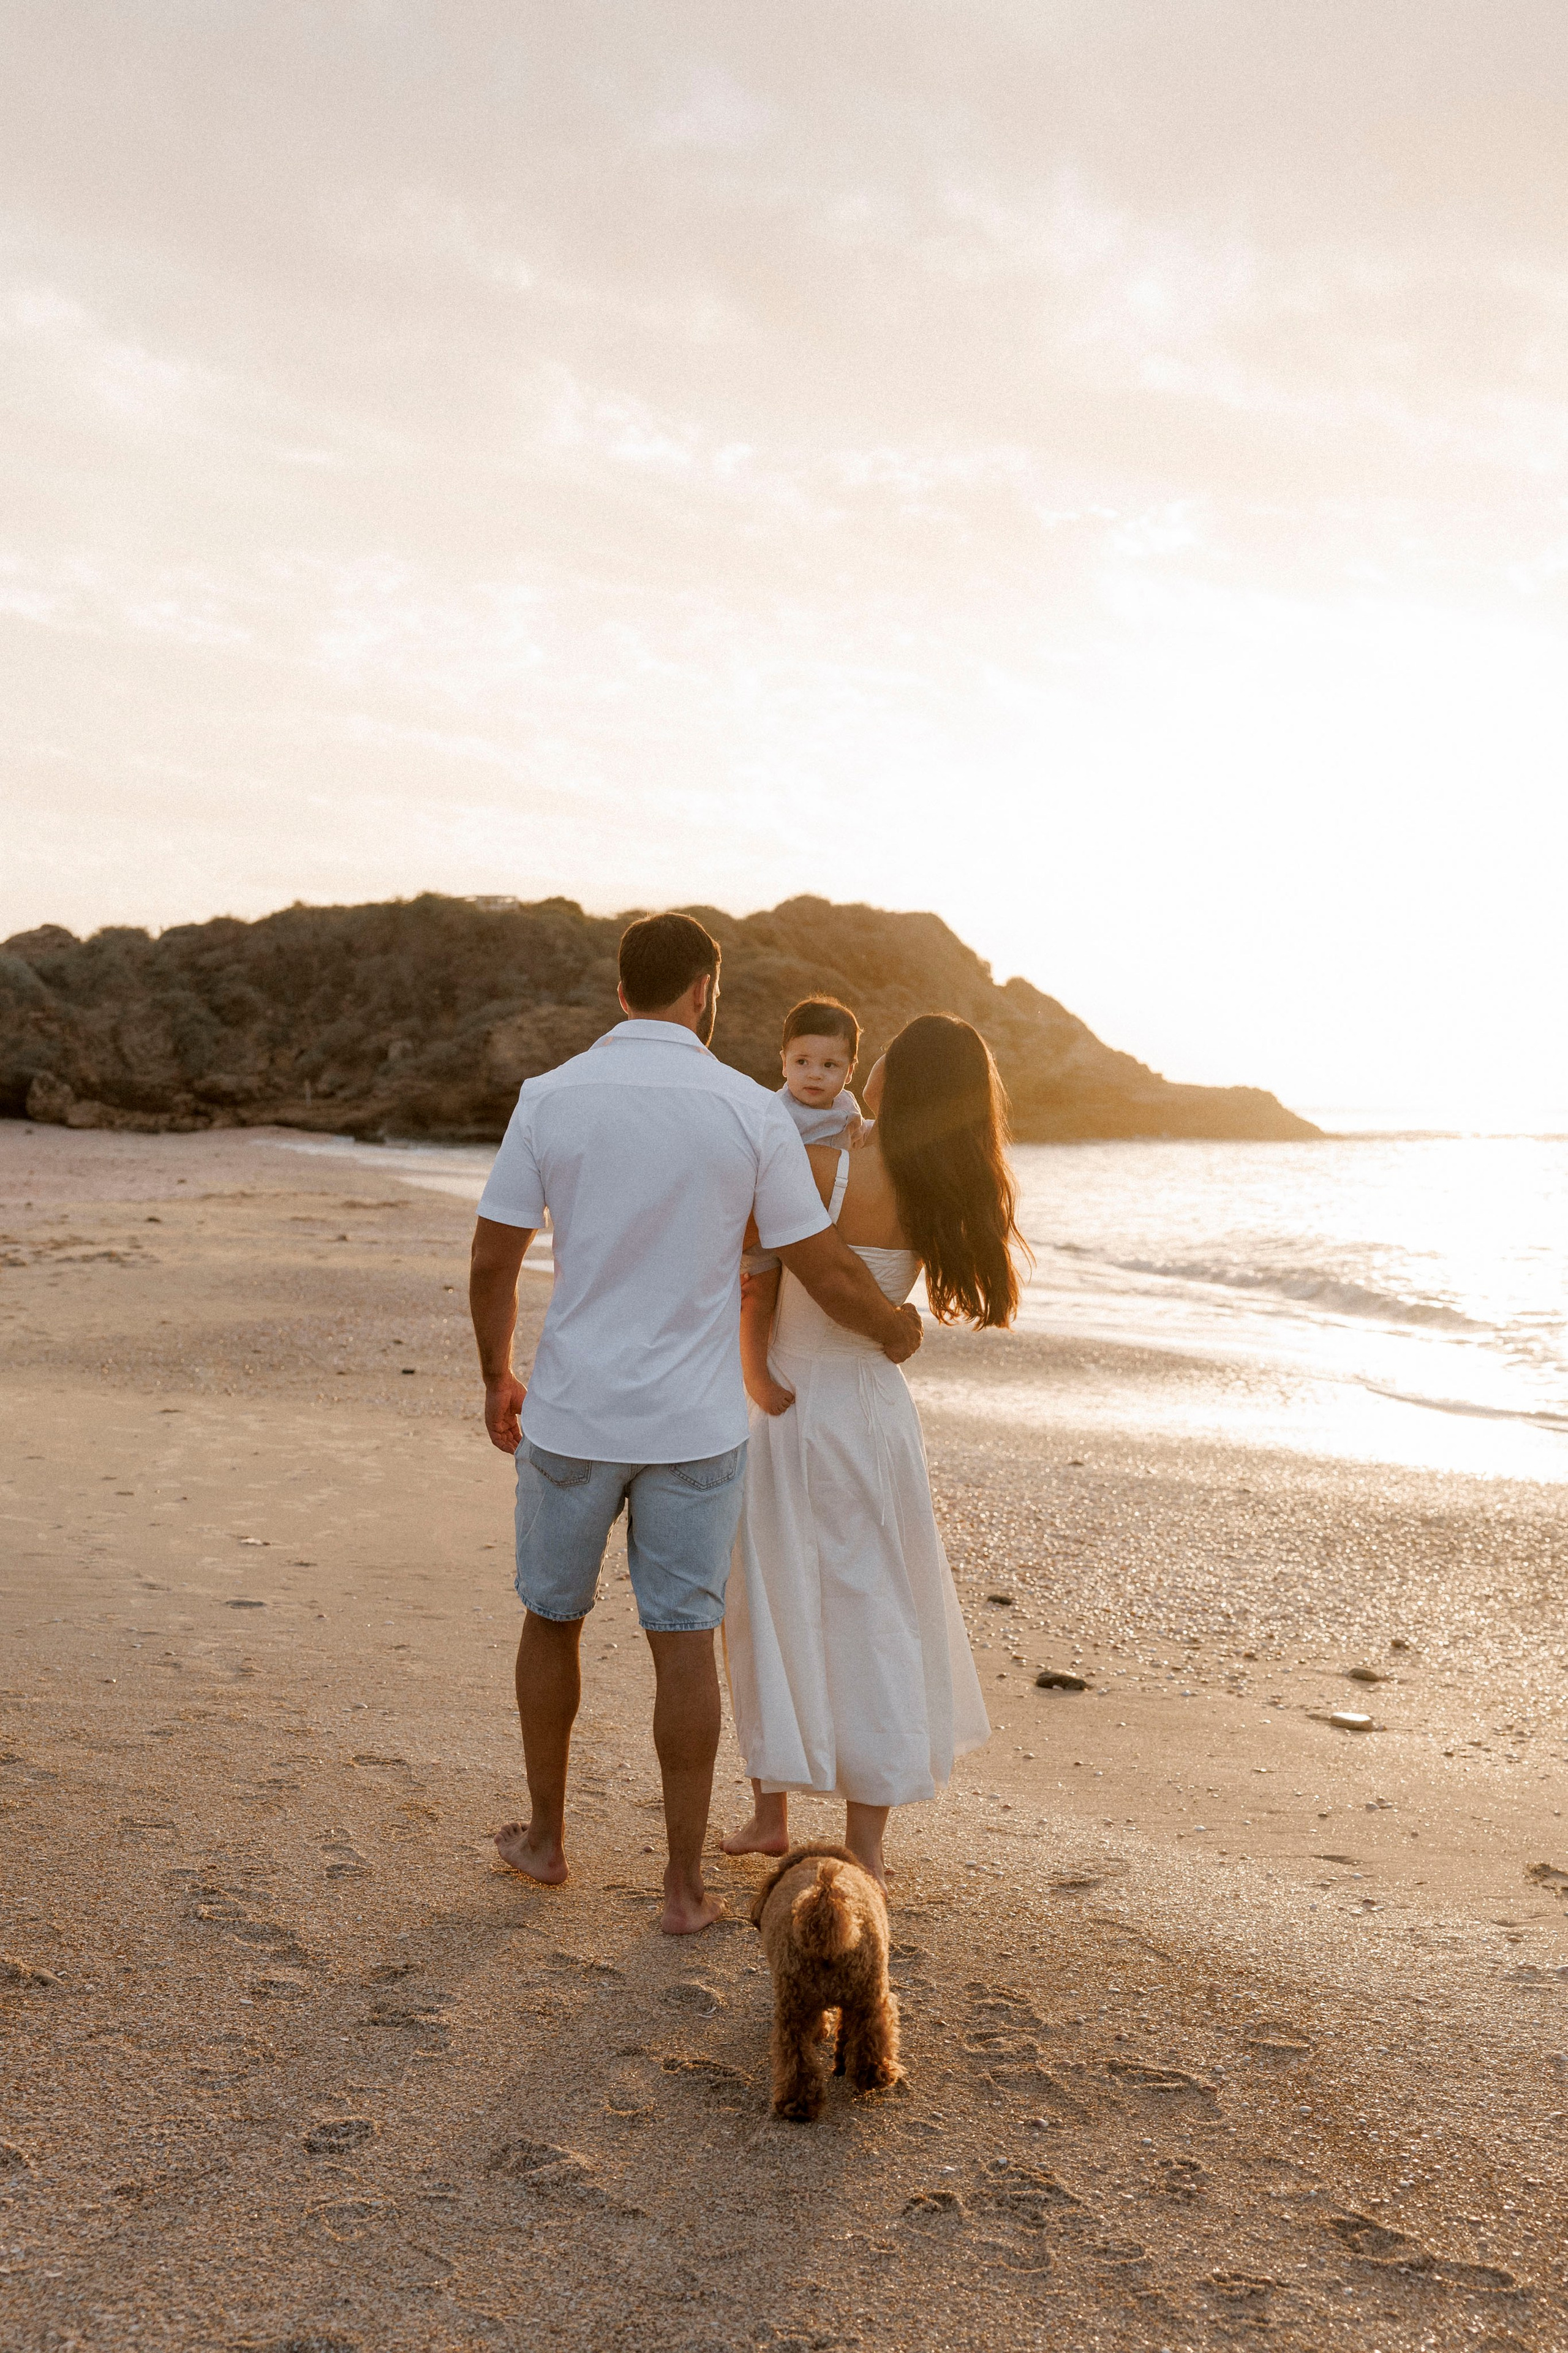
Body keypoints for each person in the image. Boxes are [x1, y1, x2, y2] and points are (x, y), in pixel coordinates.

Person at [467, 912, 924, 1936]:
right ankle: (682, 1891)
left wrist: (497, 1372)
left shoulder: (551, 1097)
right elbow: (819, 1264)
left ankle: (545, 1841)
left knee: (552, 1617)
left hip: (576, 1411)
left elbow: (494, 1256)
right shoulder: (746, 1110)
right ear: (704, 992)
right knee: (683, 1641)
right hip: (696, 1423)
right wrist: (895, 1326)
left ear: (622, 990)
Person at [722, 1013, 1027, 1884]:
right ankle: (867, 1842)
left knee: (774, 1597)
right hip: (876, 1413)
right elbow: (910, 1310)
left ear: (891, 1074)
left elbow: (760, 1279)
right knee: (879, 1606)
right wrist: (898, 1326)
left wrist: (754, 1375)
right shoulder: (949, 1186)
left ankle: (770, 1814)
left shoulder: (817, 1162)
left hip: (788, 1399)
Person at [740, 996, 865, 1416]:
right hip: (767, 1221)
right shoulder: (773, 1112)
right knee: (759, 1295)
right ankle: (756, 1377)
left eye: (830, 1066)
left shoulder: (848, 1108)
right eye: (803, 1062)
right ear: (784, 1063)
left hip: (818, 1224)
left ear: (850, 1070)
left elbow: (855, 1144)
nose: (815, 1074)